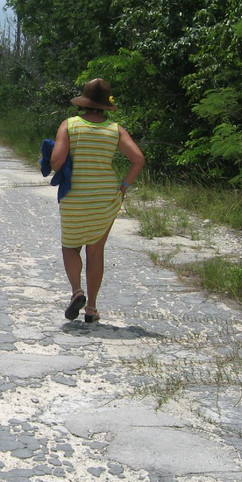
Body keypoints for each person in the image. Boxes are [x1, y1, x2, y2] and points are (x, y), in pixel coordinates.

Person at [49, 78, 145, 323]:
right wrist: (123, 187)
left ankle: (76, 292)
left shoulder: (69, 125)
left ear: (83, 102)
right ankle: (91, 308)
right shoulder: (115, 130)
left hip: (75, 196)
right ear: (105, 105)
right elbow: (138, 160)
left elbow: (56, 162)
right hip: (105, 197)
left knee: (70, 246)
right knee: (96, 251)